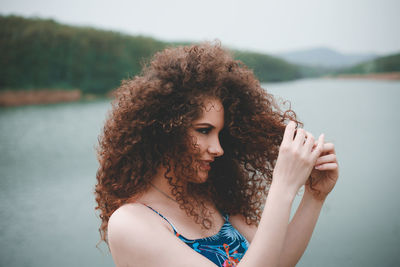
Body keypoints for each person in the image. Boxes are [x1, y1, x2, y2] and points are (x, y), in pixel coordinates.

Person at [95, 42, 339, 267]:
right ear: (164, 129)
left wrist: (314, 196)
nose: (218, 148)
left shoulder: (211, 197)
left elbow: (278, 259)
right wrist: (283, 186)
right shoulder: (131, 223)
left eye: (220, 135)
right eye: (203, 131)